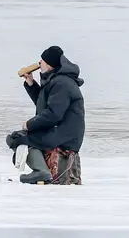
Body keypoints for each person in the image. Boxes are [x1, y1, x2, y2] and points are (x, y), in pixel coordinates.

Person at [6, 46, 85, 185]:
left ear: (49, 64)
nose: (39, 64)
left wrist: (29, 125)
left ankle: (41, 171)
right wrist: (31, 83)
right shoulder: (58, 80)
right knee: (24, 136)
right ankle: (42, 171)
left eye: (41, 61)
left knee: (16, 138)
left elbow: (53, 114)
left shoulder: (61, 83)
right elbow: (45, 105)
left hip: (64, 135)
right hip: (62, 132)